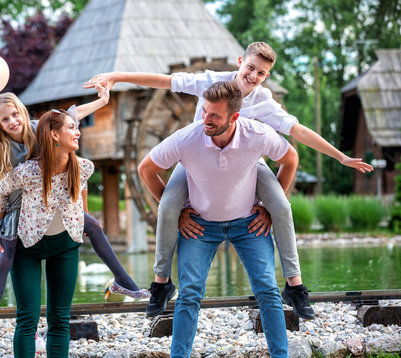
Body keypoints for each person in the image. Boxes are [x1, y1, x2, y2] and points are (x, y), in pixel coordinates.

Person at [84, 41, 374, 319]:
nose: (253, 76)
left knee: (282, 207)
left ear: (267, 76)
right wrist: (117, 76)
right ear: (240, 62)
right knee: (168, 206)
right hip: (197, 160)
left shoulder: (263, 99)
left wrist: (340, 158)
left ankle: (295, 287)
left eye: (261, 73)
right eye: (250, 68)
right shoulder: (212, 82)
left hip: (248, 164)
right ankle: (161, 283)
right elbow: (166, 81)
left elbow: (298, 132)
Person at [0, 90, 148, 352]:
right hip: (17, 210)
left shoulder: (41, 129)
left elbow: (71, 117)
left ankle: (122, 280)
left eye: (15, 114)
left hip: (53, 204)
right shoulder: (2, 152)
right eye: (5, 119)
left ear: (22, 112)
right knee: (4, 257)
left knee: (92, 225)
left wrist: (102, 101)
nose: (12, 121)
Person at [138, 81, 294, 358]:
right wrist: (179, 212)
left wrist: (270, 208)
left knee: (268, 291)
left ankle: (280, 357)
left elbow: (290, 158)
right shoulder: (187, 138)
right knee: (189, 294)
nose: (205, 119)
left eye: (214, 115)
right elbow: (146, 168)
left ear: (234, 117)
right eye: (205, 111)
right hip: (200, 226)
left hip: (248, 224)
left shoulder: (257, 134)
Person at [0, 107, 91, 358]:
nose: (77, 132)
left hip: (65, 246)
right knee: (28, 317)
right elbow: (1, 192)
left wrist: (83, 220)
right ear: (55, 135)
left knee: (60, 318)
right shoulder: (28, 171)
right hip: (27, 248)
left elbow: (82, 191)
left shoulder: (83, 167)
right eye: (71, 127)